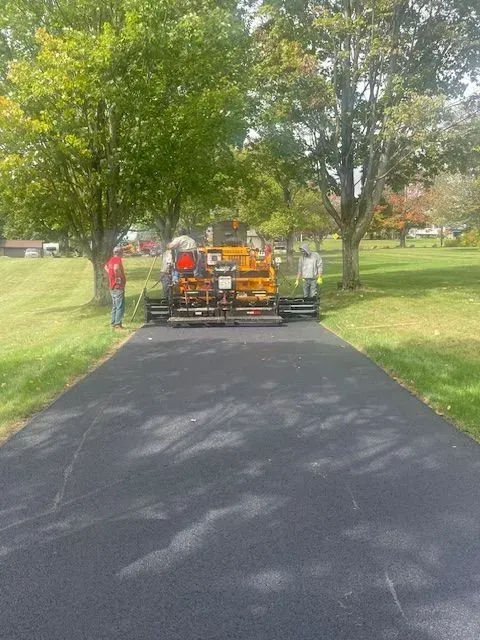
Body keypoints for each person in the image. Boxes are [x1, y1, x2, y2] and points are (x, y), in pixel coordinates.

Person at [104, 246, 126, 329]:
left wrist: (110, 274)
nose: (123, 254)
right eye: (122, 252)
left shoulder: (111, 260)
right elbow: (116, 268)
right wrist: (119, 277)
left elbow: (106, 267)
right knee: (120, 306)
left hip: (112, 286)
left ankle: (113, 323)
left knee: (114, 306)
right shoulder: (117, 259)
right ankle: (118, 324)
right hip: (118, 286)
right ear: (120, 253)